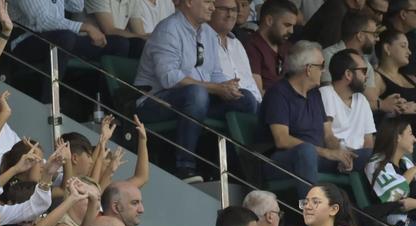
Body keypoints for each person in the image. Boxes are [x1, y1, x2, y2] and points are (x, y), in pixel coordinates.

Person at [135, 0, 258, 182]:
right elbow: (169, 78)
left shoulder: (208, 33)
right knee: (197, 93)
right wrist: (215, 88)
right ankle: (185, 167)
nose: (212, 7)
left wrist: (227, 87)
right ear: (190, 2)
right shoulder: (169, 29)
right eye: (208, 1)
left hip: (196, 102)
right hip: (155, 102)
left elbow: (214, 73)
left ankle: (231, 170)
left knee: (246, 98)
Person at [264, 41, 356, 187]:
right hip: (284, 161)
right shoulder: (278, 93)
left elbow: (328, 135)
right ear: (308, 69)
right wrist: (325, 152)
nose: (324, 71)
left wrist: (339, 152)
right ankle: (307, 208)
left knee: (363, 156)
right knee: (306, 151)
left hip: (317, 156)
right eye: (321, 66)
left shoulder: (314, 94)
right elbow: (282, 140)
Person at [241, 0, 299, 94]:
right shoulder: (251, 46)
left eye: (293, 26)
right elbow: (257, 93)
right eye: (287, 25)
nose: (291, 31)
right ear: (269, 20)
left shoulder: (287, 46)